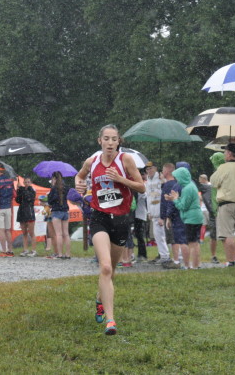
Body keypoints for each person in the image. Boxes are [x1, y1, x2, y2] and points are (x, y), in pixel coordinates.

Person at [75, 124, 145, 335]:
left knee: (111, 270)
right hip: (99, 218)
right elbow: (80, 176)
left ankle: (99, 299)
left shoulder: (125, 161)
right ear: (100, 141)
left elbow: (141, 187)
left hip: (121, 220)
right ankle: (111, 321)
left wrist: (120, 179)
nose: (110, 143)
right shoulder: (92, 161)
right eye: (106, 139)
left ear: (118, 142)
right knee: (105, 267)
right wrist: (80, 185)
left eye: (114, 139)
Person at [166, 167, 203, 269]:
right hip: (196, 217)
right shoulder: (191, 186)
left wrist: (175, 199)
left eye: (177, 178)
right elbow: (188, 200)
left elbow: (182, 206)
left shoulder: (187, 188)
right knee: (195, 242)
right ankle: (196, 264)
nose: (177, 180)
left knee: (191, 243)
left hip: (191, 218)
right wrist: (175, 198)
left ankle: (192, 265)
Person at [160, 162, 186, 269]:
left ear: (166, 171)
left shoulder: (169, 185)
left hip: (171, 214)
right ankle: (181, 259)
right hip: (179, 214)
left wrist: (164, 216)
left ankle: (176, 261)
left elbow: (166, 202)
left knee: (172, 239)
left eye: (163, 169)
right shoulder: (179, 184)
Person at [144, 161, 168, 263]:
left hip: (159, 210)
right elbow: (148, 197)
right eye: (147, 169)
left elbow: (165, 191)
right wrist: (148, 212)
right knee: (156, 235)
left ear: (155, 168)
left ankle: (164, 256)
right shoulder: (148, 181)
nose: (149, 171)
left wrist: (163, 181)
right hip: (152, 211)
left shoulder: (160, 178)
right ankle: (161, 254)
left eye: (151, 168)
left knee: (160, 235)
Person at [0, 164, 15, 257]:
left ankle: (3, 251)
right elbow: (13, 193)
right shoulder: (10, 180)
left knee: (1, 230)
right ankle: (10, 251)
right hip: (8, 207)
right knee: (8, 230)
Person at [48, 171, 71, 259]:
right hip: (65, 211)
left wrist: (52, 187)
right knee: (66, 234)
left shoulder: (54, 189)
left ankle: (60, 254)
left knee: (59, 234)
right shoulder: (66, 187)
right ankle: (68, 254)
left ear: (54, 179)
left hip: (56, 212)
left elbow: (50, 201)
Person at [208, 152, 226, 263]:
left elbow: (214, 193)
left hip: (217, 208)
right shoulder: (227, 171)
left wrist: (214, 210)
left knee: (215, 235)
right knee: (227, 232)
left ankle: (214, 256)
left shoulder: (216, 174)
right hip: (225, 205)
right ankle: (233, 254)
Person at [16, 176, 37, 257]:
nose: (27, 184)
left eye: (29, 182)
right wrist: (18, 191)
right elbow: (18, 200)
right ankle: (25, 250)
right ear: (23, 182)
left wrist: (22, 189)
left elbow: (29, 198)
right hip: (21, 212)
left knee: (31, 233)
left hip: (29, 212)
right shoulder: (22, 190)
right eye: (26, 182)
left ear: (30, 183)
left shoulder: (32, 190)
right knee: (24, 233)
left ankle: (33, 250)